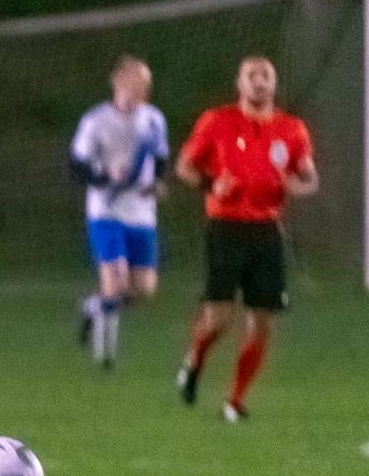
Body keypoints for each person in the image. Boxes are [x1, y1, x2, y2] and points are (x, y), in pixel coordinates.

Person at [174, 56, 318, 421]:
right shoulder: (217, 122)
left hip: (267, 231)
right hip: (225, 227)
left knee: (262, 321)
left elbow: (309, 178)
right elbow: (185, 167)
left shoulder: (291, 129)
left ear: (274, 83)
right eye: (252, 76)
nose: (259, 82)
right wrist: (212, 184)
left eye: (266, 75)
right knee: (219, 317)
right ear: (239, 83)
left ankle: (234, 400)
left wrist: (295, 185)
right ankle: (195, 360)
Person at [70, 56, 168, 368]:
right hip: (106, 211)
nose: (139, 88)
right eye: (133, 81)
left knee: (144, 289)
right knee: (115, 283)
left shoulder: (153, 119)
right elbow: (76, 166)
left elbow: (160, 160)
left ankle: (91, 307)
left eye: (144, 84)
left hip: (141, 214)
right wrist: (105, 177)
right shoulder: (96, 120)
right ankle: (105, 357)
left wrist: (156, 184)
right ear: (117, 82)